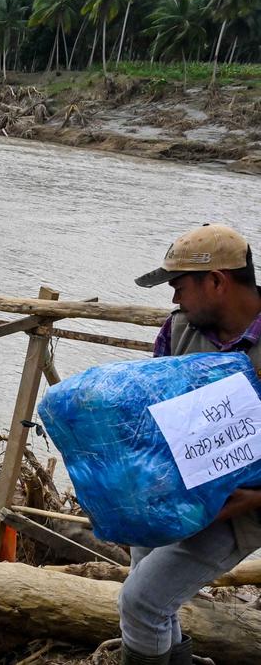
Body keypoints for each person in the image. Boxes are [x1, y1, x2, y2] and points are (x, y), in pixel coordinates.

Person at [118, 224, 261, 665]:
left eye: (179, 287)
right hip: (174, 491)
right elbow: (153, 405)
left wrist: (254, 498)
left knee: (141, 603)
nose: (175, 300)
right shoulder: (179, 330)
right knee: (149, 588)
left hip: (242, 507)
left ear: (216, 281)